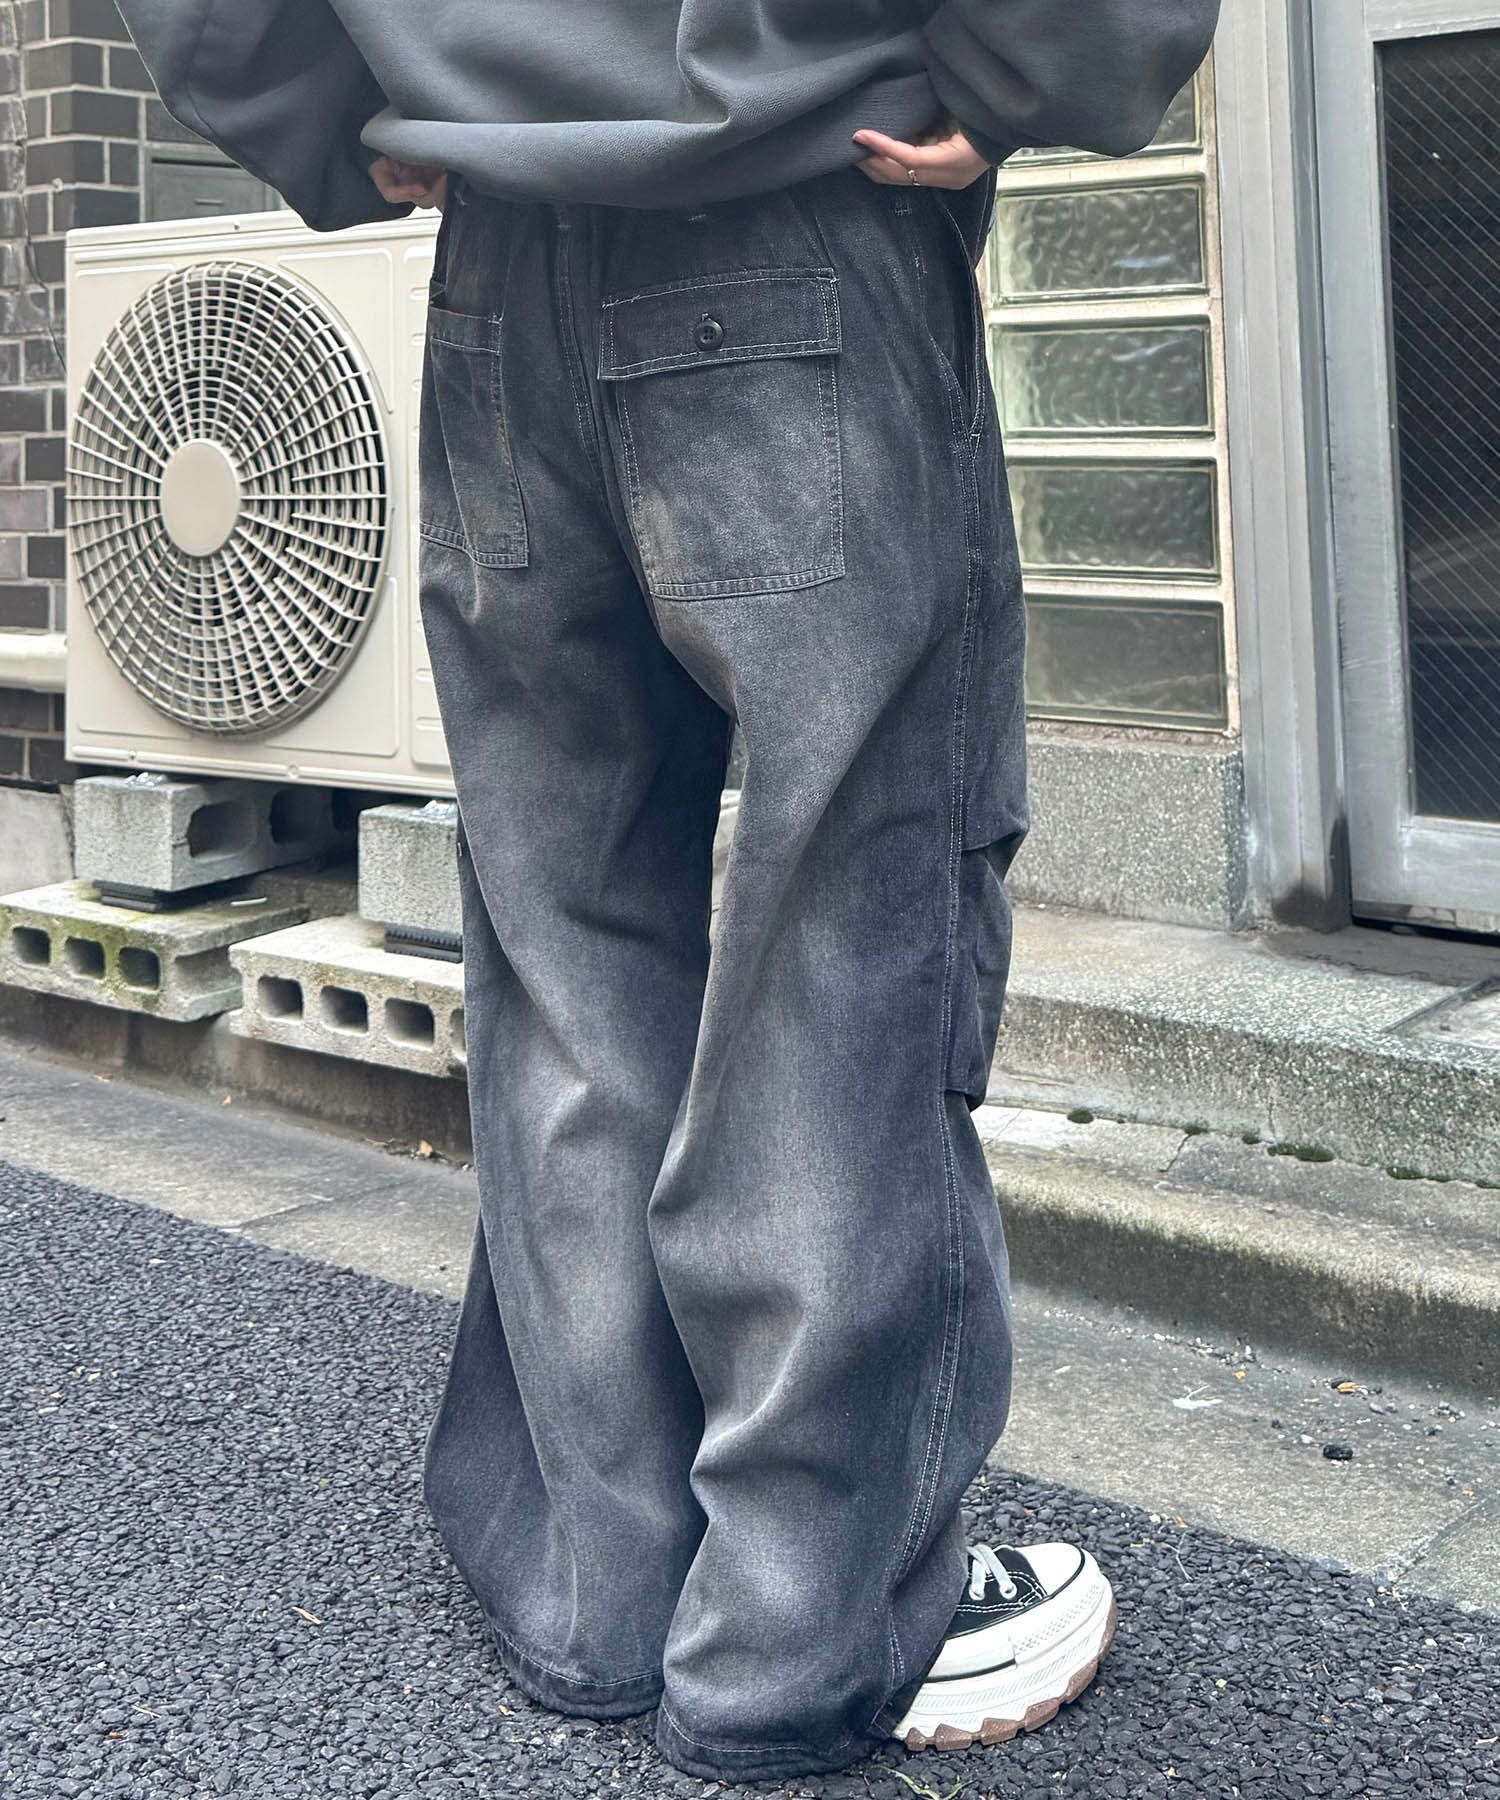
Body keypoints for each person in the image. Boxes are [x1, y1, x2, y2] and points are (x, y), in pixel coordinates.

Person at [119, 0, 1220, 1781]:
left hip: (499, 270)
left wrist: (327, 112)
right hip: (801, 206)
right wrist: (1036, 65)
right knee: (848, 923)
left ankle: (606, 1584)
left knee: (567, 941)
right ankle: (803, 1631)